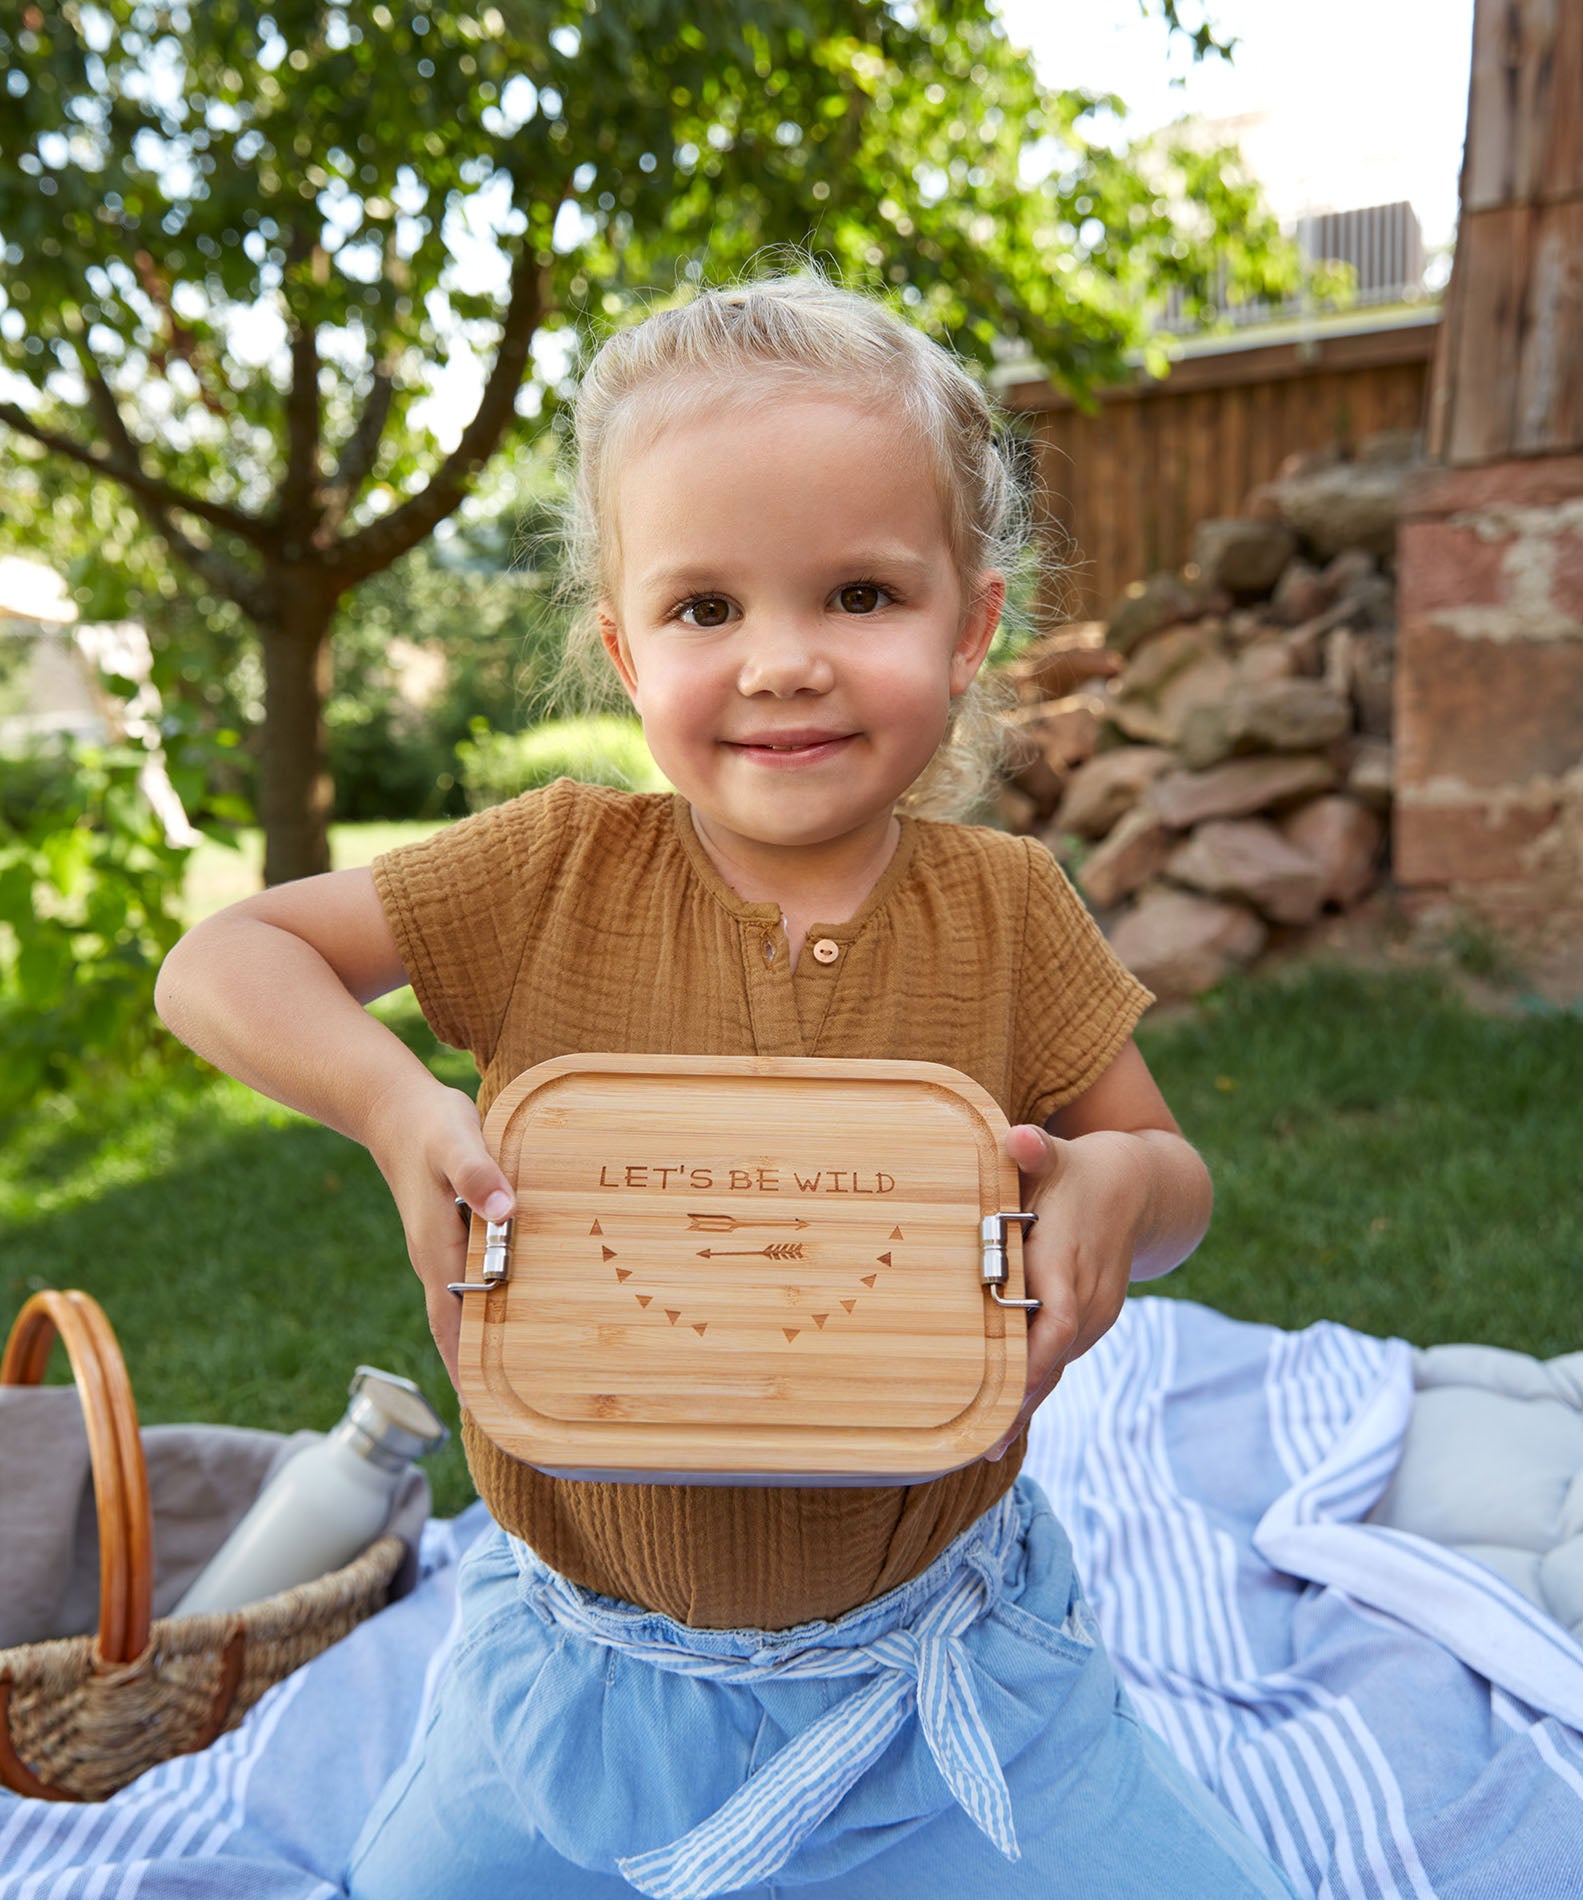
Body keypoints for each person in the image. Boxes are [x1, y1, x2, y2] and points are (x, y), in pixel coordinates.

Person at [155, 273, 1295, 1899]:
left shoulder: (1006, 906)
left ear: (970, 627)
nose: (782, 664)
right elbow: (224, 960)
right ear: (624, 647)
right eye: (706, 610)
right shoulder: (548, 872)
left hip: (939, 1675)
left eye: (857, 595)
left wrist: (1126, 1194)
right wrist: (398, 1105)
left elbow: (1166, 1179)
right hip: (585, 1683)